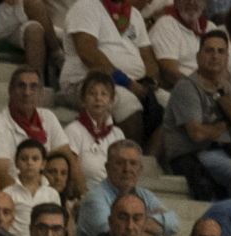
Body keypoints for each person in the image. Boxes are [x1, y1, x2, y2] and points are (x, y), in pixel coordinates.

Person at [161, 31, 231, 199]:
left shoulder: (225, 86)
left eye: (221, 52)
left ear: (227, 59)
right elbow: (197, 134)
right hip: (195, 155)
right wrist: (227, 122)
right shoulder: (187, 87)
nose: (215, 56)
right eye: (209, 51)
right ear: (198, 56)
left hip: (224, 150)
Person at [61, 0, 160, 140]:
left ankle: (150, 156)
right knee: (129, 105)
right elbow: (88, 53)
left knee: (172, 105)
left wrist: (151, 81)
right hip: (88, 80)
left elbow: (147, 55)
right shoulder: (85, 6)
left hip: (135, 81)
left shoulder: (134, 14)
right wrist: (126, 82)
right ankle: (126, 157)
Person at [0, 65, 76, 194]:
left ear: (41, 93)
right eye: (21, 86)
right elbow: (2, 176)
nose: (27, 93)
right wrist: (31, 200)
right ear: (10, 90)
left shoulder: (48, 117)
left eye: (33, 87)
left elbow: (69, 160)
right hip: (14, 199)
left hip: (46, 196)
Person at [1, 138, 59, 236]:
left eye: (35, 159)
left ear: (43, 164)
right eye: (24, 159)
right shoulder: (8, 193)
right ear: (16, 163)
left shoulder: (52, 194)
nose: (29, 163)